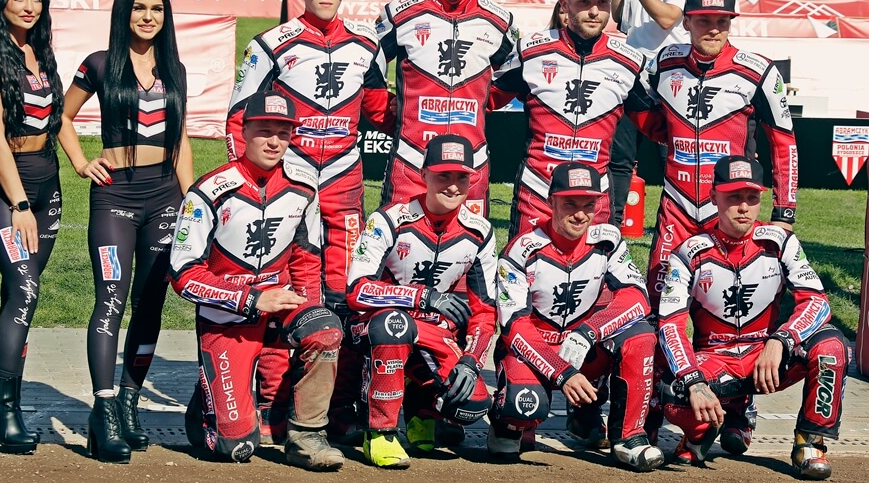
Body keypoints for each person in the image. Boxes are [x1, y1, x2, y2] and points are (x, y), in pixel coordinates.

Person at [225, 0, 396, 445]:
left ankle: (336, 405)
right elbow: (237, 119)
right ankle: (273, 402)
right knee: (285, 291)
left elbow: (382, 112)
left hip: (343, 187)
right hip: (289, 188)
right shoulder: (269, 44)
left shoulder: (367, 44)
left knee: (347, 293)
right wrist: (251, 184)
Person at [643, 0, 798, 446]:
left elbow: (784, 141)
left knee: (742, 308)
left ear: (730, 24)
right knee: (661, 306)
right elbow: (645, 117)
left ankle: (737, 406)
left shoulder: (758, 70)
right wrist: (667, 137)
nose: (713, 29)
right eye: (704, 20)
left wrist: (784, 210)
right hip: (676, 207)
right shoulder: (664, 63)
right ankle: (653, 408)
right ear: (687, 21)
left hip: (728, 212)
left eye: (721, 21)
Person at [170, 91, 346, 470]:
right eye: (264, 131)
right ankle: (207, 403)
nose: (274, 142)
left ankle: (307, 436)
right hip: (226, 320)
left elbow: (306, 258)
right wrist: (250, 298)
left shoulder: (304, 187)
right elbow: (183, 275)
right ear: (244, 131)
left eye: (283, 133)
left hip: (277, 312)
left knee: (326, 329)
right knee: (236, 446)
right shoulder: (207, 192)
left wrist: (307, 312)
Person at [58, 0, 193, 464]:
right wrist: (80, 162)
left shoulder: (174, 68)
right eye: (138, 7)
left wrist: (190, 203)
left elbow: (179, 141)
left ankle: (130, 403)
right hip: (115, 197)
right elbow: (62, 117)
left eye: (156, 8)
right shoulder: (99, 64)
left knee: (151, 303)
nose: (148, 17)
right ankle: (104, 410)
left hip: (164, 198)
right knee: (111, 300)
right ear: (123, 12)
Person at [657, 155, 847, 480]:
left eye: (752, 197)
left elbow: (817, 302)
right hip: (715, 361)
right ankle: (709, 427)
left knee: (831, 347)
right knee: (670, 391)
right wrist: (693, 381)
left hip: (767, 359)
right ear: (713, 197)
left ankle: (810, 443)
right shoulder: (688, 252)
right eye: (733, 197)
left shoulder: (780, 242)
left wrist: (781, 339)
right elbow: (669, 326)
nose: (743, 207)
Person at [487, 161, 663, 471]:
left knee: (641, 335)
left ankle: (628, 437)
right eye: (570, 203)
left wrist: (589, 332)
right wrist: (562, 372)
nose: (580, 214)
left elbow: (637, 298)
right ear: (550, 201)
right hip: (535, 352)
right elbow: (514, 327)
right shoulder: (521, 251)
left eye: (588, 204)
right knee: (520, 413)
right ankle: (507, 424)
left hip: (585, 349)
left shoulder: (608, 241)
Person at [346, 134, 497, 469]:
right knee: (394, 326)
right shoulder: (388, 219)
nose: (453, 186)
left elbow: (486, 311)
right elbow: (356, 290)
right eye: (443, 175)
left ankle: (421, 414)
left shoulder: (480, 232)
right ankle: (379, 432)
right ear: (424, 174)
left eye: (461, 177)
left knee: (471, 404)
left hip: (431, 332)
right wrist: (421, 296)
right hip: (376, 324)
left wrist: (472, 360)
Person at [489, 0, 663, 241]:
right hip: (537, 189)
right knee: (525, 264)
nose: (594, 11)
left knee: (593, 267)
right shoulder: (531, 51)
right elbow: (485, 99)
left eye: (602, 2)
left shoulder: (629, 61)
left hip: (595, 195)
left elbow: (658, 127)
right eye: (584, 2)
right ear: (564, 4)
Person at [0, 0, 64, 455]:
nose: (30, 7)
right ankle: (4, 412)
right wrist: (19, 203)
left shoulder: (41, 51)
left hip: (49, 186)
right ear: (1, 0)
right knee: (25, 289)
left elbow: (58, 119)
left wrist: (80, 162)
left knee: (19, 294)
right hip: (8, 193)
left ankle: (5, 406)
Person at [377, 0, 516, 217]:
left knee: (469, 238)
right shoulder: (401, 13)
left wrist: (483, 101)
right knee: (399, 235)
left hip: (471, 158)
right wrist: (388, 115)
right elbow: (365, 65)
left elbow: (514, 75)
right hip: (413, 156)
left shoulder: (499, 21)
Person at [609, 0, 699, 228]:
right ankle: (612, 225)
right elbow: (618, 18)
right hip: (632, 72)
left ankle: (680, 223)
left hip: (669, 75)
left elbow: (667, 18)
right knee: (619, 155)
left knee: (672, 157)